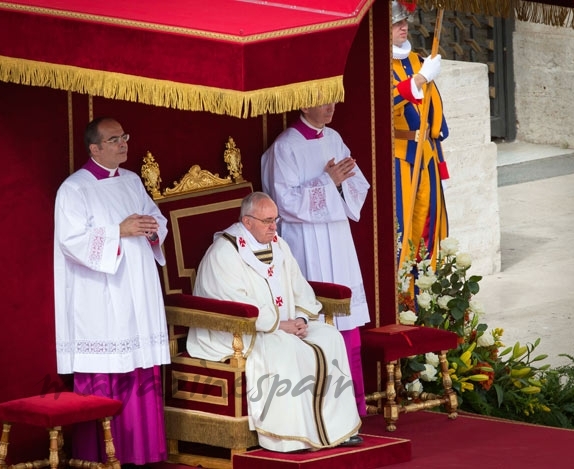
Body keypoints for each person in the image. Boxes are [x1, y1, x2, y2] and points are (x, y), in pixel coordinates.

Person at [187, 192, 363, 453]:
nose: (274, 226)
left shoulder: (278, 245)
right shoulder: (224, 252)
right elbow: (233, 303)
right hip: (237, 331)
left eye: (276, 219)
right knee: (285, 347)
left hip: (284, 324)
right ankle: (291, 436)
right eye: (267, 221)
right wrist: (281, 325)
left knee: (330, 337)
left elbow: (299, 286)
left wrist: (302, 318)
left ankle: (337, 429)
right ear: (247, 222)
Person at [53, 117, 170, 466]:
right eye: (114, 139)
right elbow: (71, 242)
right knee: (110, 368)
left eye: (125, 136)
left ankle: (142, 451)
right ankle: (100, 456)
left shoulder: (133, 181)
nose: (123, 143)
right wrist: (118, 231)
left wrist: (152, 229)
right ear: (94, 148)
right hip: (101, 295)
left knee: (139, 364)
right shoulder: (74, 189)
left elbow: (156, 219)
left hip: (138, 289)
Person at [261, 103, 371, 416]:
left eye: (335, 100)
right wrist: (327, 182)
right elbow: (284, 202)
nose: (331, 107)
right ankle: (321, 409)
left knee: (346, 319)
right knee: (314, 316)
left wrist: (337, 183)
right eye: (323, 101)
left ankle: (354, 404)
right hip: (305, 242)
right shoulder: (285, 148)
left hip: (337, 237)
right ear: (305, 102)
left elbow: (356, 184)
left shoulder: (334, 138)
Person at [391, 0, 450, 270]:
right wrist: (418, 80)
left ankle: (425, 293)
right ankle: (404, 296)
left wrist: (442, 166)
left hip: (426, 156)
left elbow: (433, 120)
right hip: (399, 157)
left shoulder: (417, 61)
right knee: (403, 230)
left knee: (429, 225)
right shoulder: (378, 64)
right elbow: (384, 101)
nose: (404, 27)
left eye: (404, 22)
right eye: (396, 23)